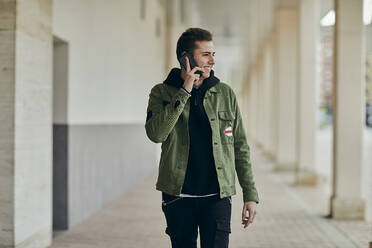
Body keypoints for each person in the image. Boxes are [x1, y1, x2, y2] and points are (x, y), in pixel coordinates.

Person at [145, 27, 259, 248]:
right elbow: (156, 134)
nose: (212, 61)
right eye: (206, 54)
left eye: (213, 54)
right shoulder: (161, 92)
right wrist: (184, 91)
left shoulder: (225, 94)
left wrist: (250, 195)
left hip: (217, 197)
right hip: (178, 197)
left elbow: (240, 147)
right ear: (185, 58)